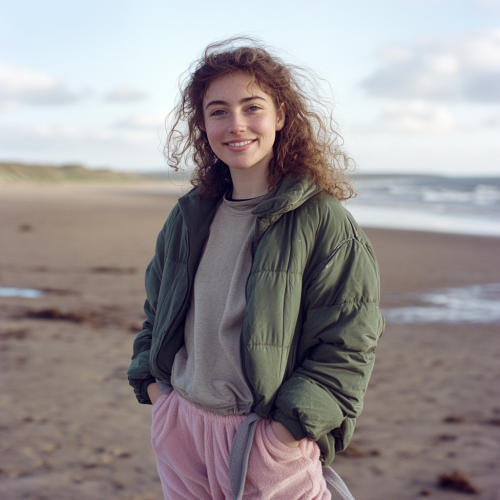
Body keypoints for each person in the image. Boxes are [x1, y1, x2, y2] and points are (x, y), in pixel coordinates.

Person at [127, 37, 385, 500]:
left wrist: (284, 434)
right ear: (202, 124)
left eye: (252, 107)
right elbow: (155, 310)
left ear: (281, 116)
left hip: (264, 437)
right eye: (218, 111)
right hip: (181, 427)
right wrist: (155, 391)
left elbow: (348, 345)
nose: (236, 125)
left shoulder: (324, 222)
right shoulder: (189, 216)